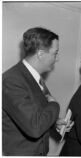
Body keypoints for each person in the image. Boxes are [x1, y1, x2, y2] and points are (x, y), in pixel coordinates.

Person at [2, 27, 72, 155]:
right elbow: (35, 128)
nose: (57, 58)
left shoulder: (34, 77)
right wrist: (54, 104)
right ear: (40, 54)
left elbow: (33, 113)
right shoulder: (11, 80)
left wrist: (54, 122)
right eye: (55, 53)